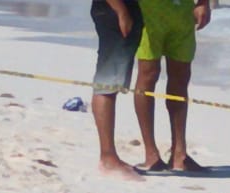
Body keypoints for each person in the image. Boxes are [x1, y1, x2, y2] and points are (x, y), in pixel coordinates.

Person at [133, 0, 211, 172]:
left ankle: (179, 153)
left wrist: (203, 3)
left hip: (182, 11)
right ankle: (151, 153)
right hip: (148, 11)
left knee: (181, 77)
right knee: (148, 74)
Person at [90, 0, 144, 181]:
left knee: (112, 81)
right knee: (107, 82)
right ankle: (107, 157)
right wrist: (121, 11)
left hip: (123, 8)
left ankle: (108, 155)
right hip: (114, 9)